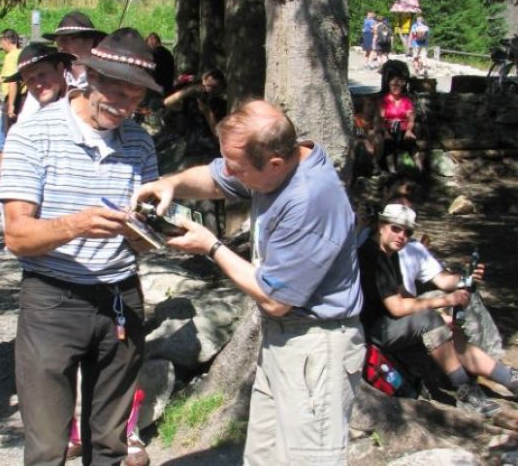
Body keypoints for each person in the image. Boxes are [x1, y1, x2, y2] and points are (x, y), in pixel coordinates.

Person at [133, 100, 365, 465]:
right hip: (282, 339)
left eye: (236, 167)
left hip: (316, 345)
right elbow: (214, 178)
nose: (227, 171)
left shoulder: (309, 200)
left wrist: (211, 247)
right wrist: (170, 184)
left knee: (305, 458)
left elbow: (275, 299)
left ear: (274, 163)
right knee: (262, 456)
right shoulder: (275, 165)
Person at [0, 28, 161, 466]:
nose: (124, 106)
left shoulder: (140, 142)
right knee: (49, 447)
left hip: (121, 299)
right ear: (87, 76)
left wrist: (149, 233)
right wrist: (77, 224)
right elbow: (16, 236)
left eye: (135, 96)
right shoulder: (34, 134)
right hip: (53, 301)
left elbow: (145, 237)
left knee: (109, 443)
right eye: (115, 91)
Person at [357, 203, 517, 417]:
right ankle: (465, 390)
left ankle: (508, 378)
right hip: (372, 331)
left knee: (443, 326)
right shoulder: (372, 255)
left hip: (388, 324)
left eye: (407, 232)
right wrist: (442, 302)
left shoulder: (389, 253)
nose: (401, 236)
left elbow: (403, 292)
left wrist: (449, 300)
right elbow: (396, 307)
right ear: (381, 225)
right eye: (396, 228)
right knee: (431, 321)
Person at [375, 61, 422, 174]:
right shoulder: (384, 100)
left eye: (398, 85)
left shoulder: (406, 101)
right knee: (388, 145)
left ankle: (420, 170)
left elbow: (411, 116)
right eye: (393, 85)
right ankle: (392, 171)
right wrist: (385, 132)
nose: (396, 87)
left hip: (403, 128)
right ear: (389, 84)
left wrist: (409, 130)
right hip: (389, 128)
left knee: (411, 145)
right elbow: (381, 118)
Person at [0, 28, 23, 176]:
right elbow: (6, 73)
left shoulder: (11, 56)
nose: (0, 43)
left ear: (7, 40)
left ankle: (2, 172)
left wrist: (11, 105)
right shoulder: (18, 55)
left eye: (1, 40)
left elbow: (13, 82)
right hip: (19, 100)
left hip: (12, 99)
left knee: (3, 138)